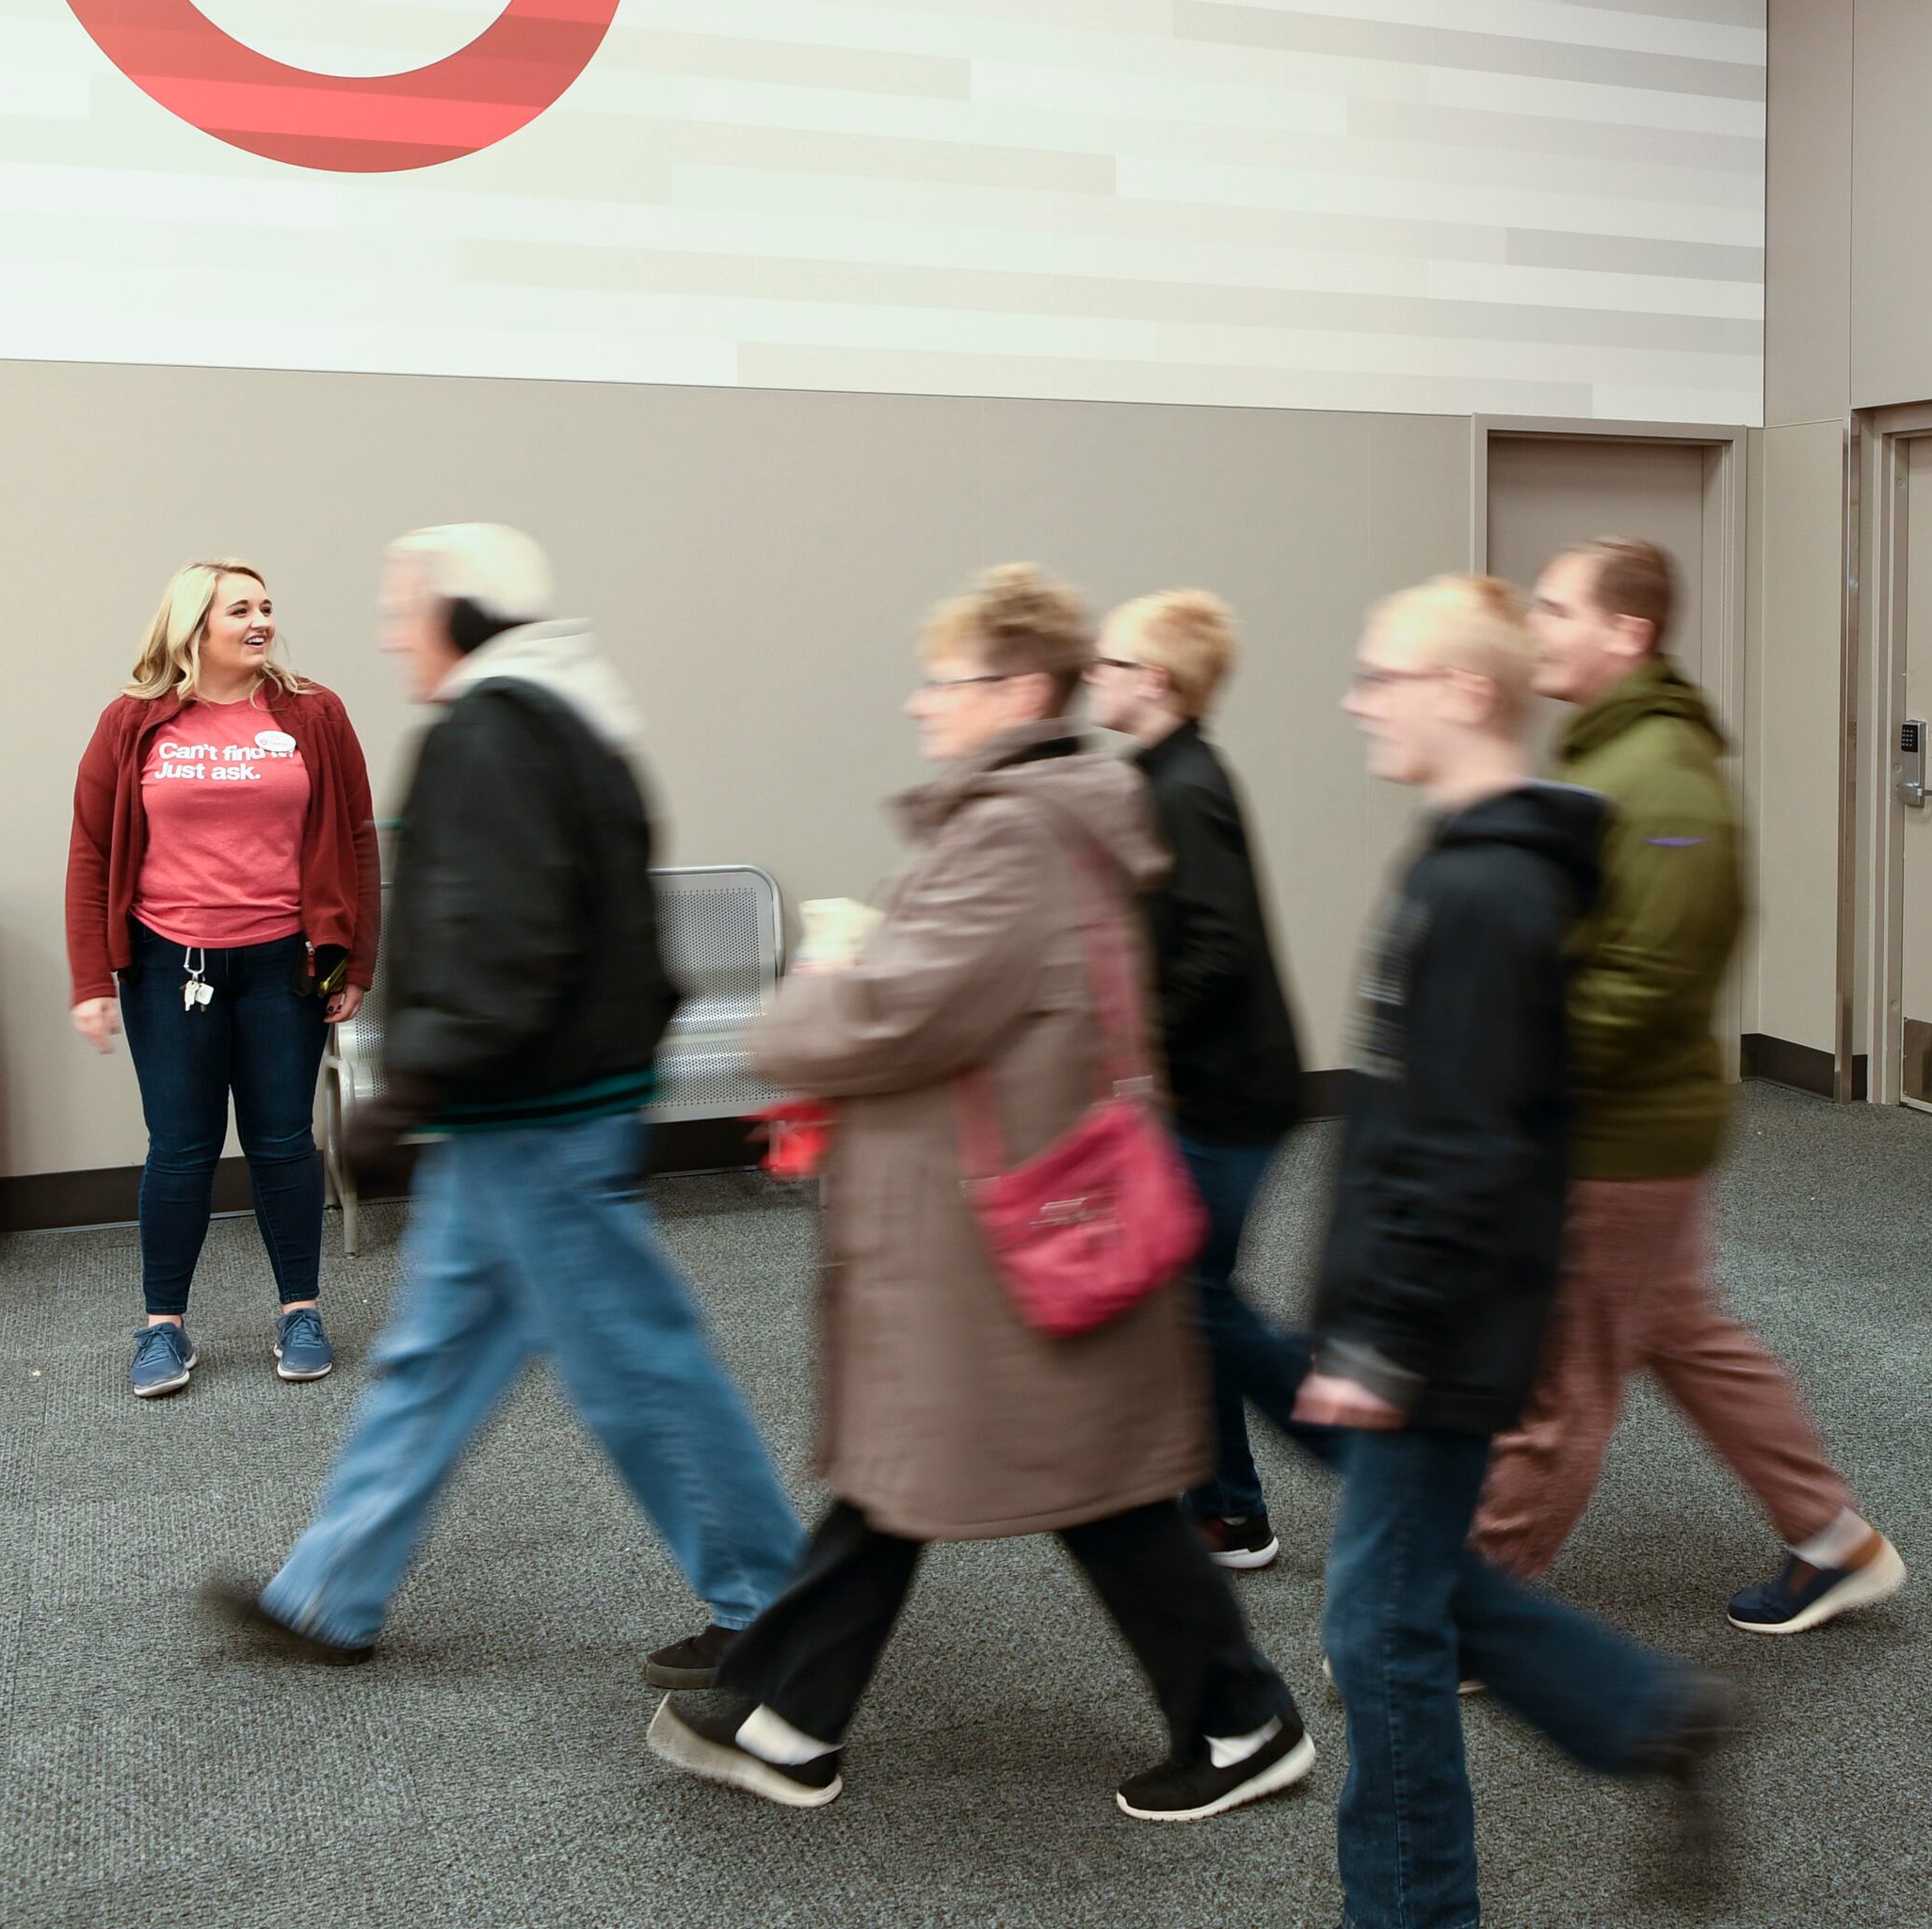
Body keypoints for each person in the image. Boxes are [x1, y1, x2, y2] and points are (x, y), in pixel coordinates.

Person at [650, 564, 1312, 1825]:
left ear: (1016, 692)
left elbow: (889, 1019)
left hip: (988, 1228)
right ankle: (794, 1717)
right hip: (998, 1212)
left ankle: (1237, 1720)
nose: (919, 706)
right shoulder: (1051, 815)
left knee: (977, 1474)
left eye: (941, 683)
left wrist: (819, 977)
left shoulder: (1012, 830)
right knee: (986, 1475)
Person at [205, 526, 808, 1673]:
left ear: (460, 615)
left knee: (637, 1364)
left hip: (535, 1113)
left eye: (403, 609)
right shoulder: (565, 713)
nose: (392, 633)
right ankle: (329, 1591)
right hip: (529, 1108)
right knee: (435, 1357)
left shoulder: (494, 731)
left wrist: (410, 1088)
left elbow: (504, 938)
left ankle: (774, 1603)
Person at [1307, 571, 1739, 1929]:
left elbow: (1473, 1144)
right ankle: (1644, 1713)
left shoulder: (1490, 891)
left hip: (1438, 1328)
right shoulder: (1463, 864)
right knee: (1406, 1598)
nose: (1356, 700)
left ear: (1464, 695)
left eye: (1382, 675)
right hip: (1427, 1311)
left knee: (1379, 1633)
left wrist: (1385, 1338)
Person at [1470, 538, 1903, 1636]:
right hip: (1626, 1122)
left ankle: (1465, 1614)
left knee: (1561, 1386)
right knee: (1682, 1330)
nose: (1537, 627)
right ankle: (1833, 1537)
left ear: (1629, 631)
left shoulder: (1659, 774)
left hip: (1619, 1133)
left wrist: (1516, 1072)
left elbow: (1647, 981)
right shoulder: (1608, 753)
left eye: (1557, 607)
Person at [65, 560, 378, 1399]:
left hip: (287, 964)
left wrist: (351, 966)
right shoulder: (132, 721)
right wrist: (93, 977)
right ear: (194, 625)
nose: (261, 620)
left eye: (268, 606)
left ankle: (301, 1311)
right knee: (180, 1149)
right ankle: (162, 1326)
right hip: (170, 965)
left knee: (282, 1142)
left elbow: (355, 839)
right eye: (241, 609)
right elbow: (92, 852)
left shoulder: (313, 713)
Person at [1088, 588, 1312, 1573]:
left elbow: (1217, 943)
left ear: (1157, 681)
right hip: (1209, 1086)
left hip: (1229, 1094)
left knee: (1197, 1300)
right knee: (1191, 1295)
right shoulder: (1160, 774)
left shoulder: (1185, 787)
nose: (1094, 675)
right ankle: (1226, 1507)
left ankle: (1343, 1459)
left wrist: (1143, 1053)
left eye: (1109, 661)